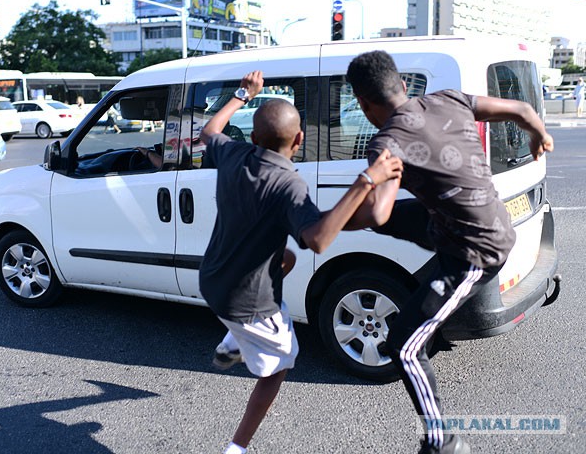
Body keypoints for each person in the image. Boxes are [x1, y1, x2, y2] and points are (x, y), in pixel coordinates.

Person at [344, 50, 554, 454]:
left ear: (363, 105)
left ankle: (443, 442)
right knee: (407, 215)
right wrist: (539, 136)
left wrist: (330, 222)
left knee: (403, 345)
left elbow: (377, 210)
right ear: (404, 86)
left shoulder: (387, 143)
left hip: (476, 254)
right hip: (470, 223)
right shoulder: (449, 99)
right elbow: (523, 109)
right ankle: (432, 256)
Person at [199, 70, 403, 454]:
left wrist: (243, 94)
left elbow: (209, 131)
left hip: (211, 279)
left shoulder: (233, 154)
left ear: (254, 138)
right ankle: (237, 448)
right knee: (281, 366)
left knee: (285, 257)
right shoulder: (289, 183)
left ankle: (232, 341)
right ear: (299, 139)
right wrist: (366, 181)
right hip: (247, 303)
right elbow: (319, 240)